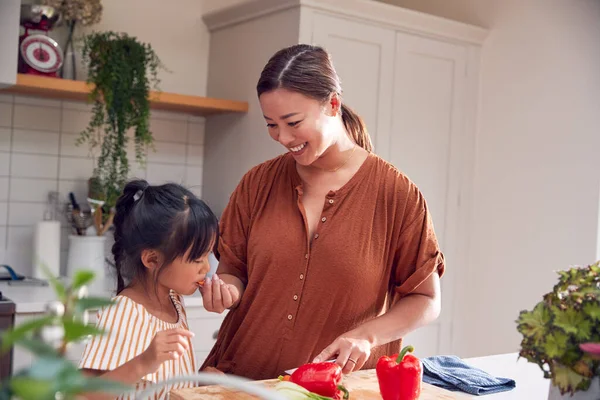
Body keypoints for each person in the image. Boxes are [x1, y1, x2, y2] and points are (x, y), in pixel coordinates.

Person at [200, 44, 445, 381]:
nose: (283, 138)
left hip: (337, 388)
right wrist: (225, 291)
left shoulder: (397, 195)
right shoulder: (256, 183)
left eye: (293, 122)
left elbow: (426, 298)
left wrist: (366, 336)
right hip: (241, 382)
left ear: (332, 104)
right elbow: (233, 272)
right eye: (271, 124)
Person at [78, 180, 221, 399]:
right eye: (197, 259)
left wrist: (199, 382)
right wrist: (144, 362)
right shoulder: (122, 312)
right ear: (152, 259)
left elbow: (157, 386)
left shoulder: (174, 300)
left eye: (208, 255)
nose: (207, 267)